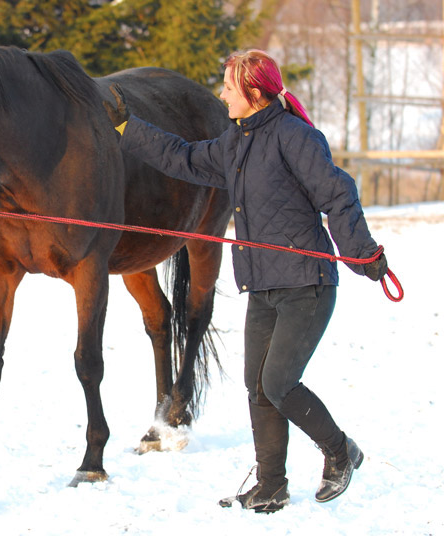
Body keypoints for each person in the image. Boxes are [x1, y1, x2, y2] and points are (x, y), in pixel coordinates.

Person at [105, 49, 389, 513]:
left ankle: (341, 451)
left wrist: (364, 254)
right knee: (257, 387)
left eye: (229, 89)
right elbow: (184, 157)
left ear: (253, 93)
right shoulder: (234, 143)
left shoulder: (296, 138)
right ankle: (271, 484)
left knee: (278, 382)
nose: (222, 95)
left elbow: (338, 195)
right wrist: (127, 128)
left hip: (306, 284)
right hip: (262, 283)